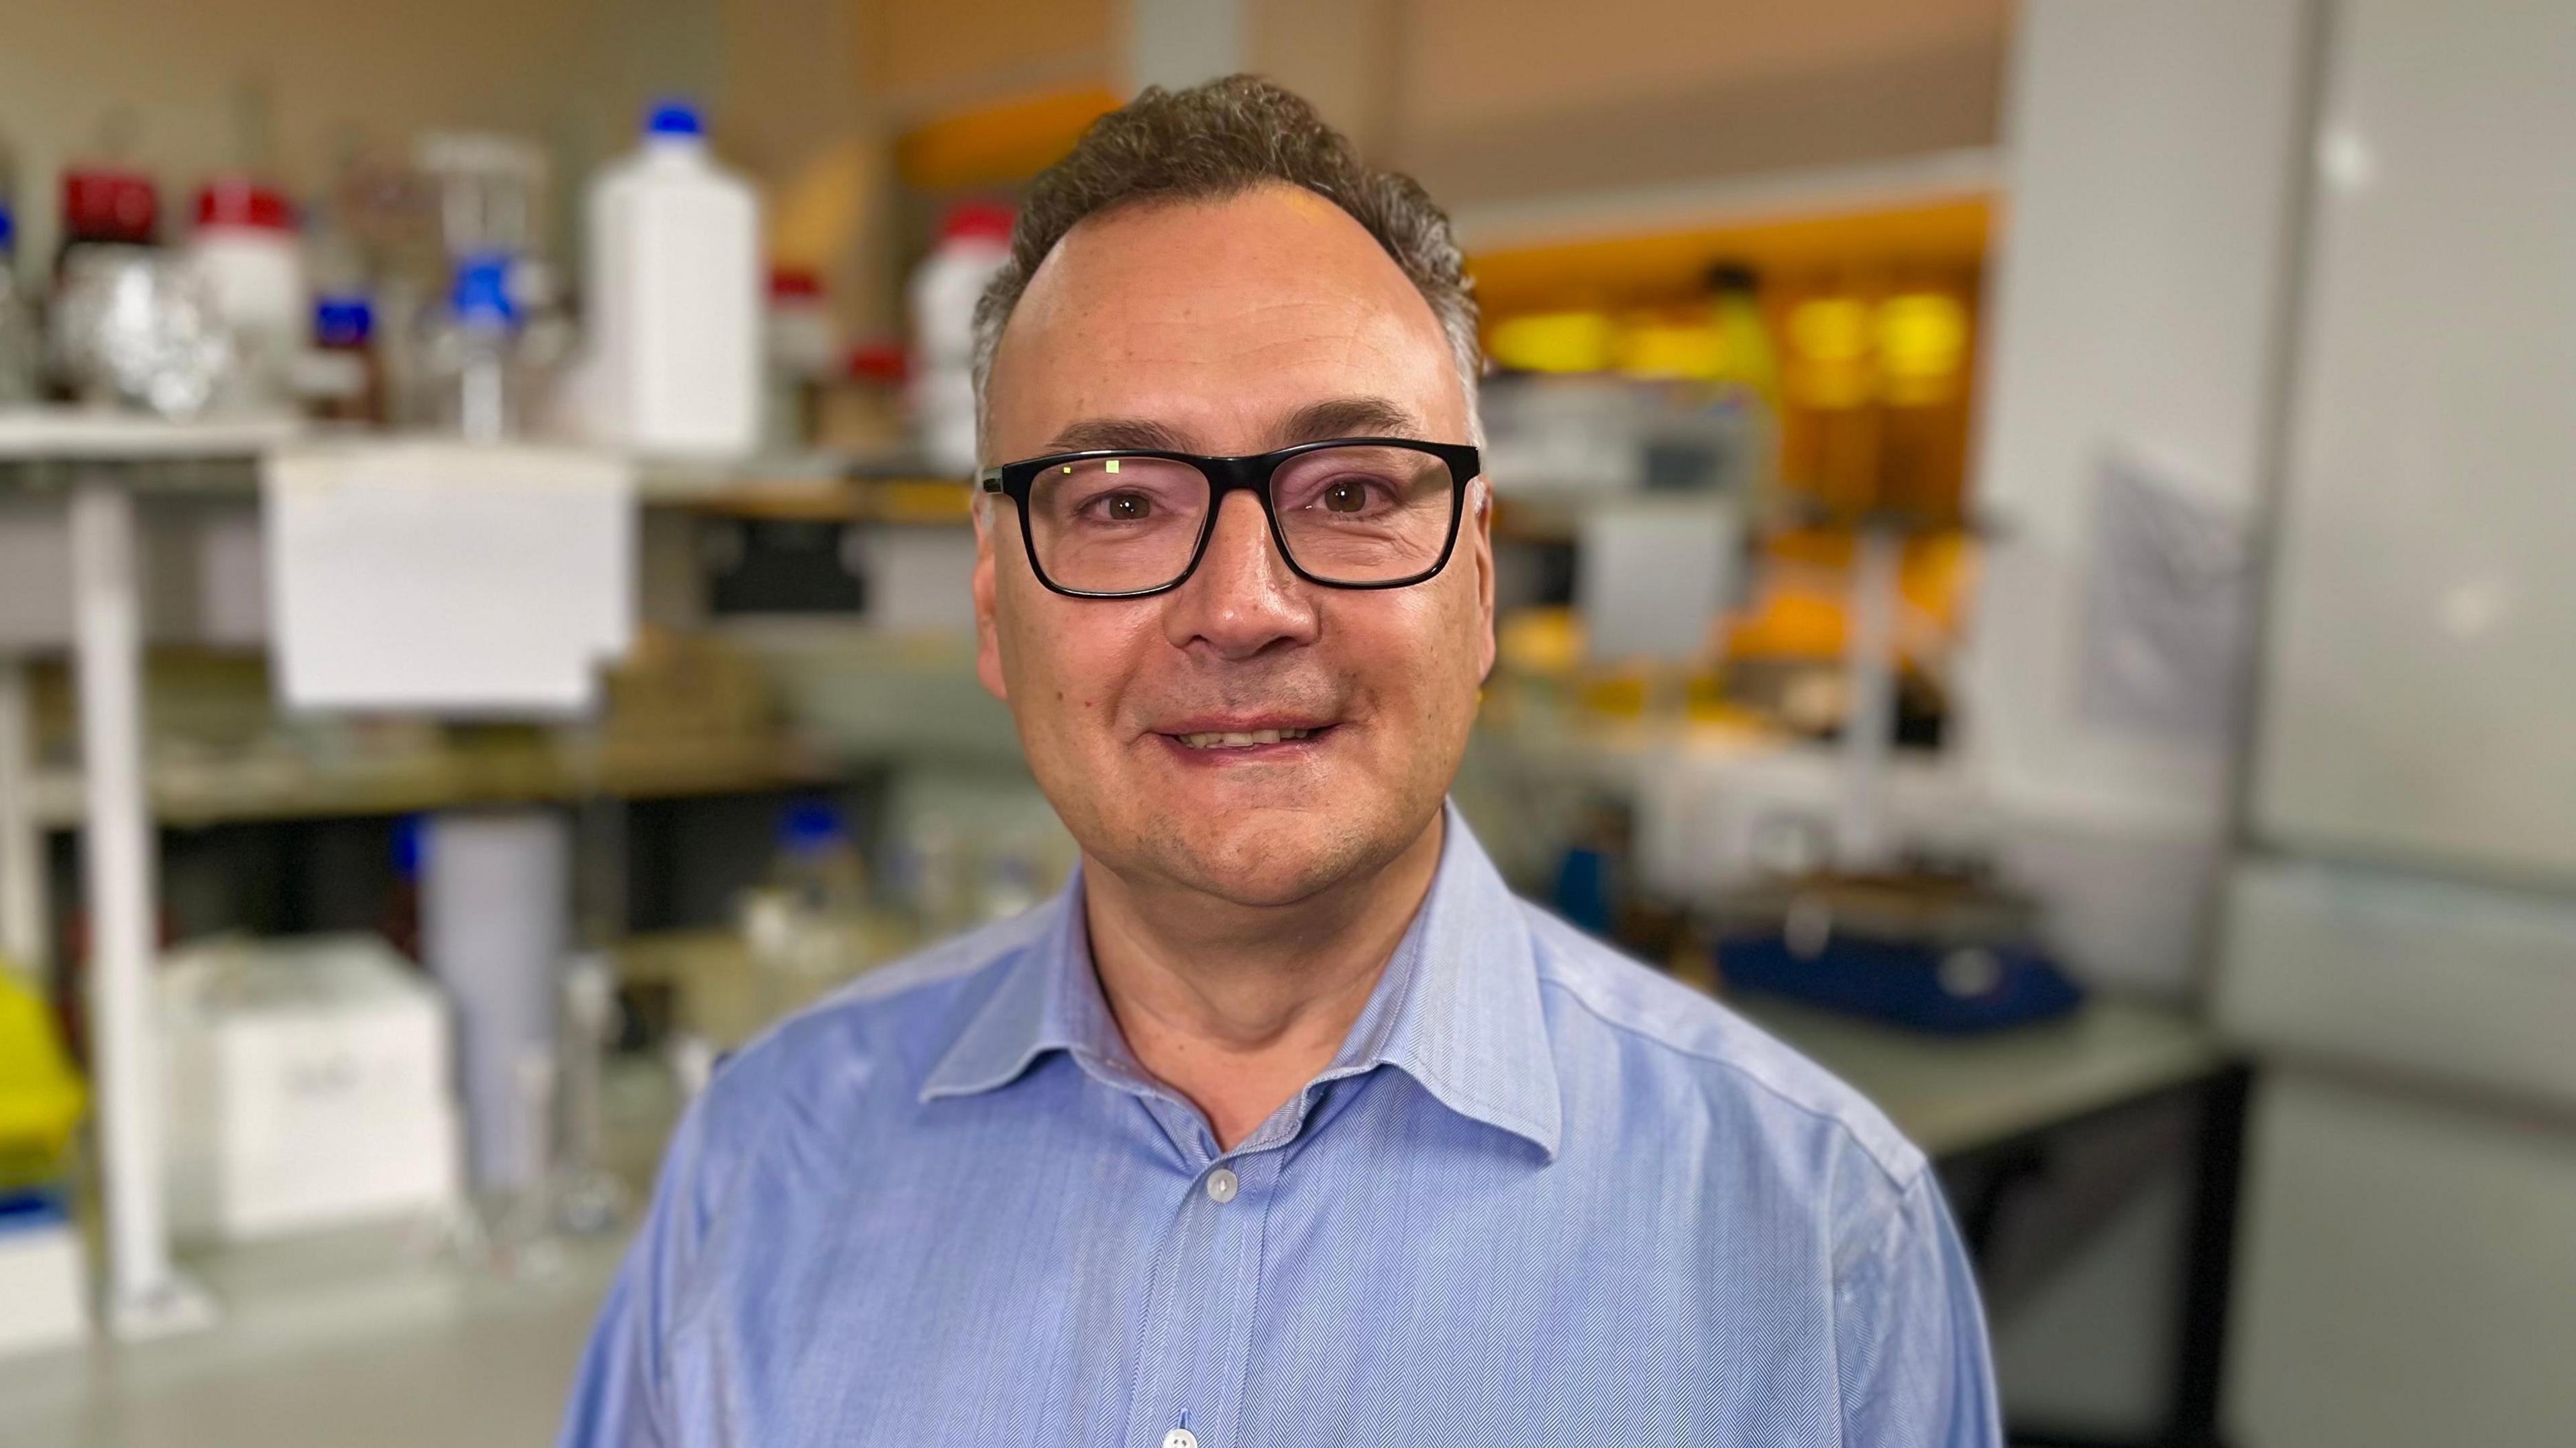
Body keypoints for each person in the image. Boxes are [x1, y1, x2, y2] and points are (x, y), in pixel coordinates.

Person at [561, 76, 1998, 1447]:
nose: (1245, 607)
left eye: (1355, 491)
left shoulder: (1821, 1239)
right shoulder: (765, 1162)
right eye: (1118, 501)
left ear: (1479, 585)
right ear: (997, 613)